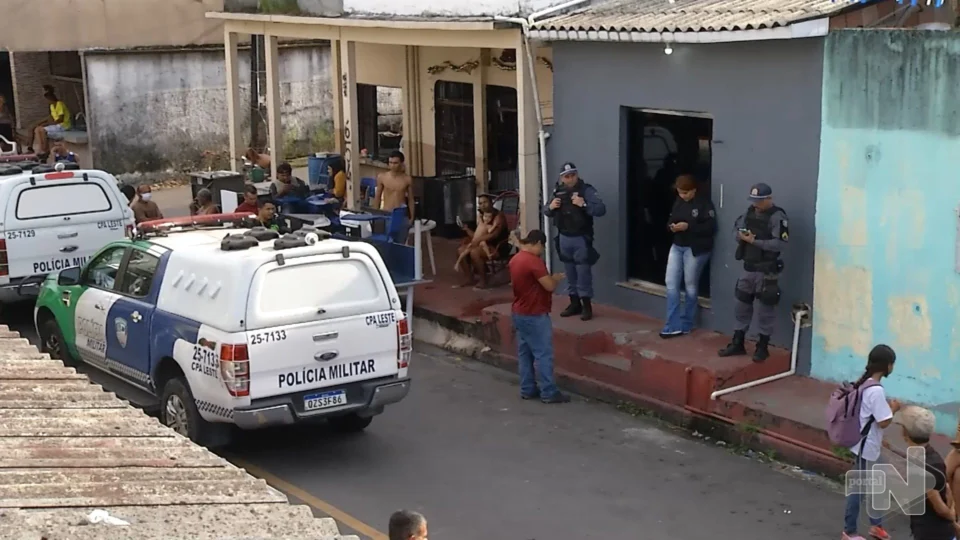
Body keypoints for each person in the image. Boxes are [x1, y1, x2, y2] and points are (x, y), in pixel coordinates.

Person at [717, 183, 788, 362]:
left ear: (769, 199)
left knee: (765, 310)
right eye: (754, 200)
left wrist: (754, 240)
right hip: (748, 268)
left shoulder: (778, 216)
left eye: (759, 201)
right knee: (741, 305)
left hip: (766, 271)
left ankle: (762, 347)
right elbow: (735, 230)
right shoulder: (748, 213)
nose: (756, 204)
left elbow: (779, 243)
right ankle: (737, 342)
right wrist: (741, 236)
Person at [842, 344, 900, 540]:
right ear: (886, 366)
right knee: (857, 491)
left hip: (866, 445)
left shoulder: (865, 383)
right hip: (866, 447)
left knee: (878, 485)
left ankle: (876, 526)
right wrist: (893, 408)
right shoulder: (875, 391)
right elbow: (884, 421)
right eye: (892, 364)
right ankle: (848, 532)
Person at [509, 229, 570, 404]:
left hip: (519, 311)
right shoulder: (534, 262)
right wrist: (556, 278)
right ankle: (549, 391)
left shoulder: (515, 260)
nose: (542, 250)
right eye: (542, 247)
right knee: (543, 354)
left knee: (525, 353)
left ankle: (527, 388)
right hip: (535, 313)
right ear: (537, 243)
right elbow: (549, 286)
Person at [543, 162, 607, 321]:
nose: (570, 179)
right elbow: (545, 211)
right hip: (564, 237)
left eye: (573, 175)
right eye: (567, 176)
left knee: (583, 273)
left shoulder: (586, 190)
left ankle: (586, 306)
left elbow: (600, 209)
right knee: (570, 273)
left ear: (577, 175)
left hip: (581, 238)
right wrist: (551, 207)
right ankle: (574, 303)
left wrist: (583, 204)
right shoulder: (557, 191)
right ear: (562, 178)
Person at [660, 174, 717, 338]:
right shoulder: (679, 202)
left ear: (693, 190)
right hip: (677, 245)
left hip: (695, 248)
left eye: (685, 193)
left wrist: (689, 226)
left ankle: (687, 322)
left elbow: (711, 227)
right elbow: (670, 219)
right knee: (671, 283)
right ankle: (672, 324)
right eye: (679, 192)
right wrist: (672, 227)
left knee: (690, 285)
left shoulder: (704, 203)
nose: (682, 196)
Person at [896, 405, 956, 540]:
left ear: (905, 433)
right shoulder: (930, 454)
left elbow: (940, 508)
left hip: (931, 532)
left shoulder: (922, 465)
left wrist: (952, 516)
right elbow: (946, 488)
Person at [456, 194, 509, 288]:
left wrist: (477, 240)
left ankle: (483, 280)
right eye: (480, 203)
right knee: (460, 250)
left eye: (485, 202)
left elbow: (494, 235)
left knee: (474, 253)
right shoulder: (481, 215)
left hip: (497, 246)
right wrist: (467, 230)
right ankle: (469, 278)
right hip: (481, 244)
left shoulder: (498, 216)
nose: (483, 205)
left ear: (491, 203)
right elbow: (477, 235)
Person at [26, 89, 72, 158]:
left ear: (50, 98)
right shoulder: (52, 106)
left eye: (47, 99)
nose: (47, 101)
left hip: (64, 125)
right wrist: (42, 123)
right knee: (37, 129)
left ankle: (44, 150)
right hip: (57, 125)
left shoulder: (59, 104)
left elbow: (60, 119)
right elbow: (52, 118)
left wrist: (48, 124)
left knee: (42, 130)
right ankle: (41, 149)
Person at [374, 150, 415, 221]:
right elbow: (377, 197)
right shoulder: (382, 177)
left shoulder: (407, 179)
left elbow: (411, 200)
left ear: (401, 163)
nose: (392, 165)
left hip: (401, 213)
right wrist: (375, 215)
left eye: (395, 163)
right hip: (387, 212)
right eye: (391, 163)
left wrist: (412, 218)